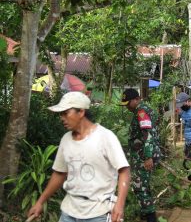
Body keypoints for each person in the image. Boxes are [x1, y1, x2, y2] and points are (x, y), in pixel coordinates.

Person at [27, 91, 130, 222]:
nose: (62, 118)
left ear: (81, 112)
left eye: (65, 113)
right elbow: (59, 174)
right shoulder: (66, 139)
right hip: (69, 211)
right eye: (60, 114)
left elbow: (124, 171)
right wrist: (40, 202)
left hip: (99, 212)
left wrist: (119, 205)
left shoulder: (105, 137)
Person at [119, 88, 161, 222]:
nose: (126, 108)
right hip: (141, 155)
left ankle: (150, 217)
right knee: (143, 185)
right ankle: (146, 214)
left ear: (136, 100)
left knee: (140, 186)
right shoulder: (141, 110)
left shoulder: (141, 111)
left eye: (128, 104)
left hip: (143, 156)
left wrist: (148, 157)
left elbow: (147, 134)